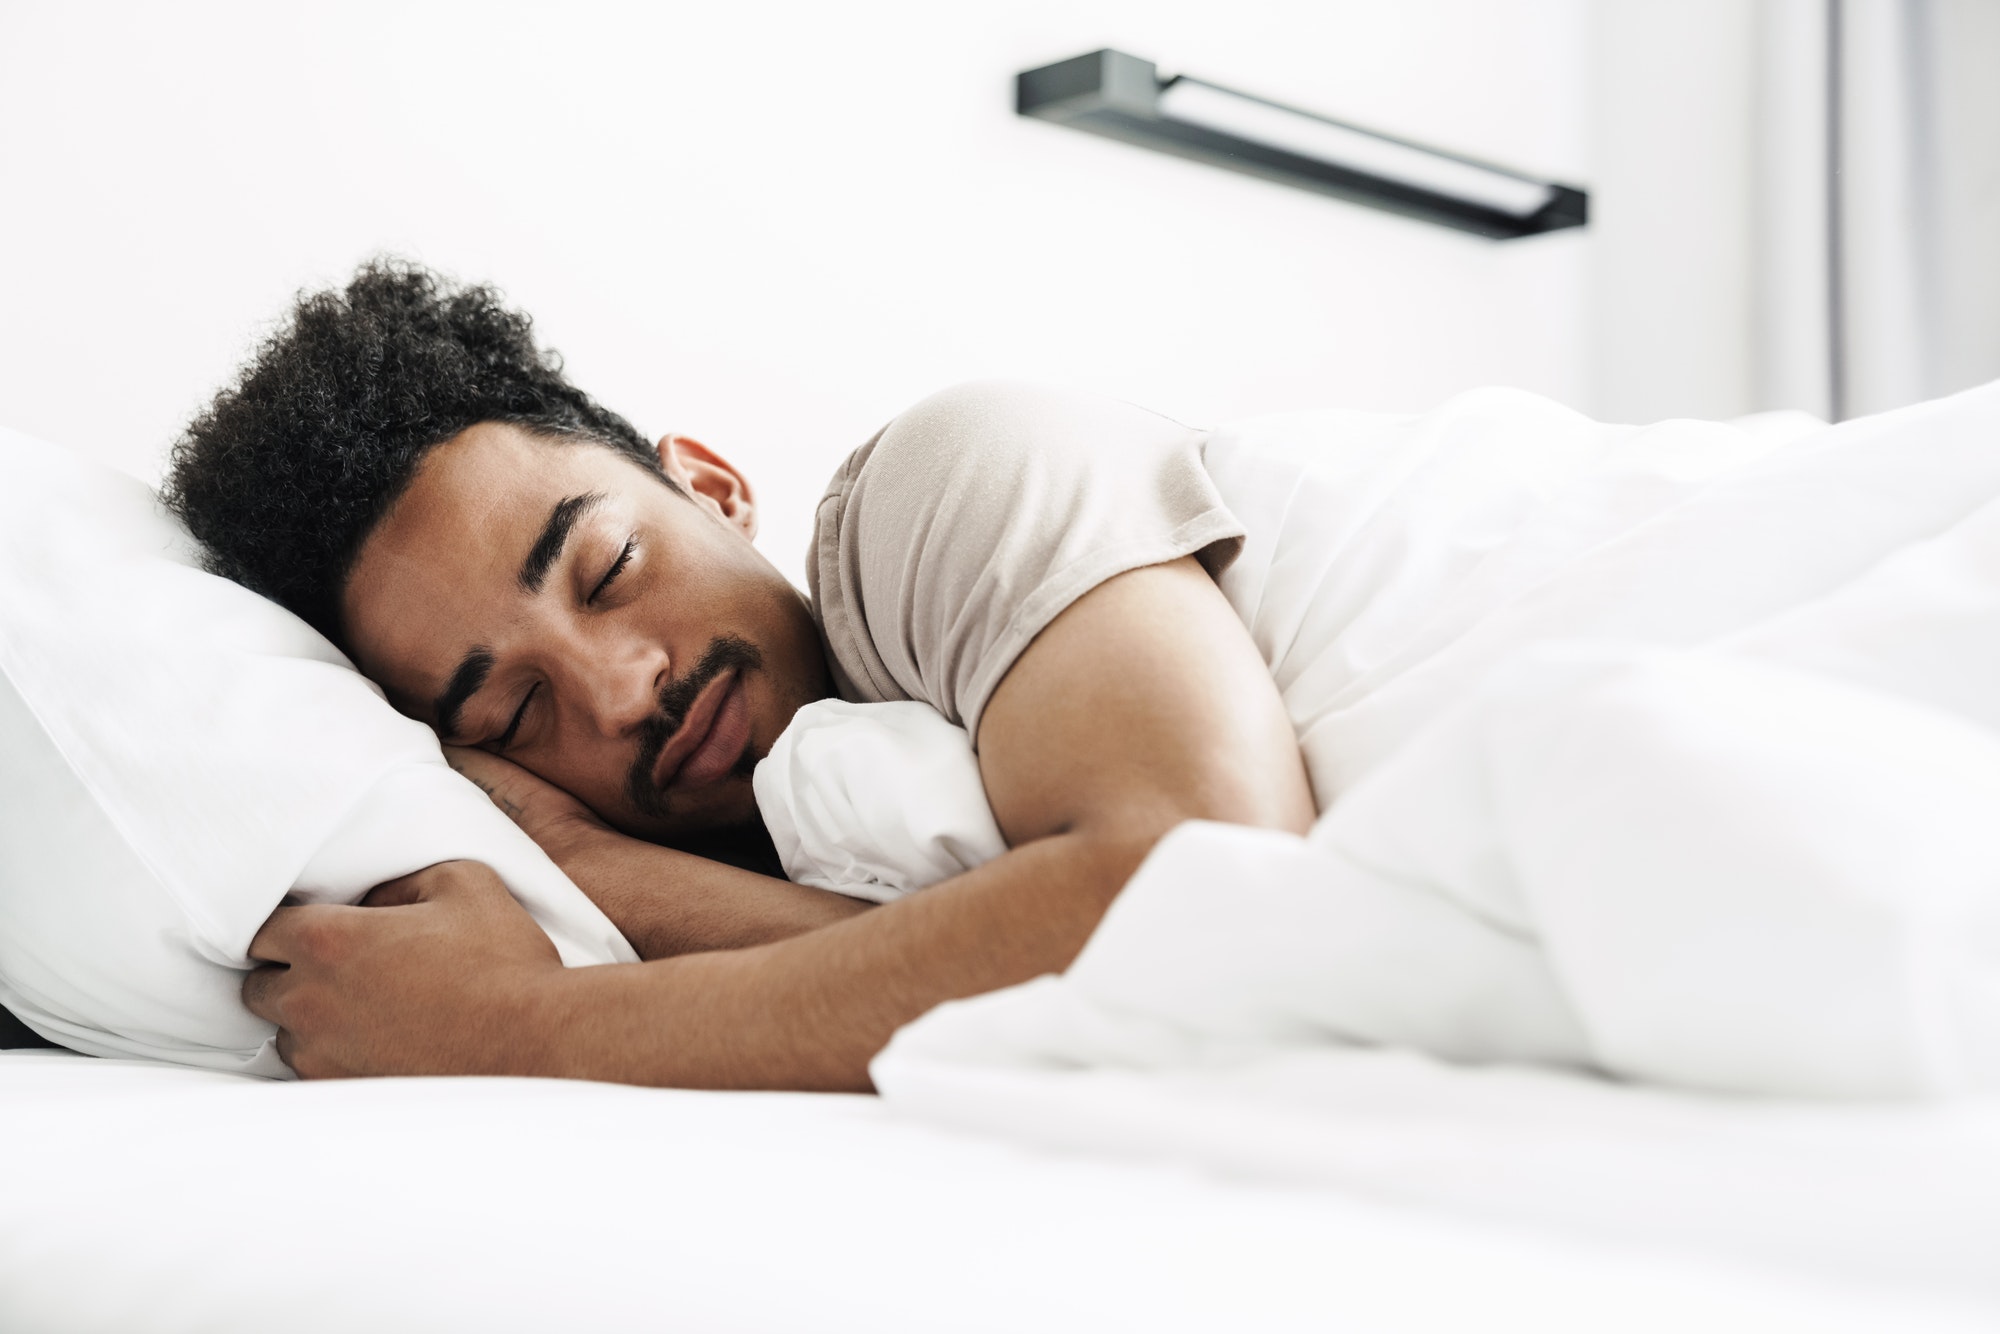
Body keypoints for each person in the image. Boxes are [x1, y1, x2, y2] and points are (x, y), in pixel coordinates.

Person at [164, 261, 1315, 1090]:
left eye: (607, 567)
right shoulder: (710, 862)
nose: (620, 694)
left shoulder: (930, 495)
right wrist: (576, 862)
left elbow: (1208, 905)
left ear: (711, 487)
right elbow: (951, 964)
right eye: (516, 710)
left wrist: (515, 1023)